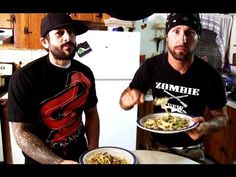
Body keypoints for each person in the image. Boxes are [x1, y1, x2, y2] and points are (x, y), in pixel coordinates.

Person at [119, 13, 228, 163]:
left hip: (192, 149)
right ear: (166, 36)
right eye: (176, 31)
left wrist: (206, 127)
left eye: (190, 33)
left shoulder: (210, 75)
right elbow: (124, 102)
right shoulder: (151, 66)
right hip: (157, 146)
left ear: (198, 39)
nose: (182, 39)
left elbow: (222, 118)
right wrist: (128, 100)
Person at [7, 13, 100, 164]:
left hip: (80, 156)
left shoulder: (85, 73)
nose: (68, 37)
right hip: (42, 161)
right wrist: (59, 162)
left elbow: (91, 114)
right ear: (44, 42)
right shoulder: (24, 78)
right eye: (59, 33)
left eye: (71, 32)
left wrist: (92, 151)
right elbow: (21, 133)